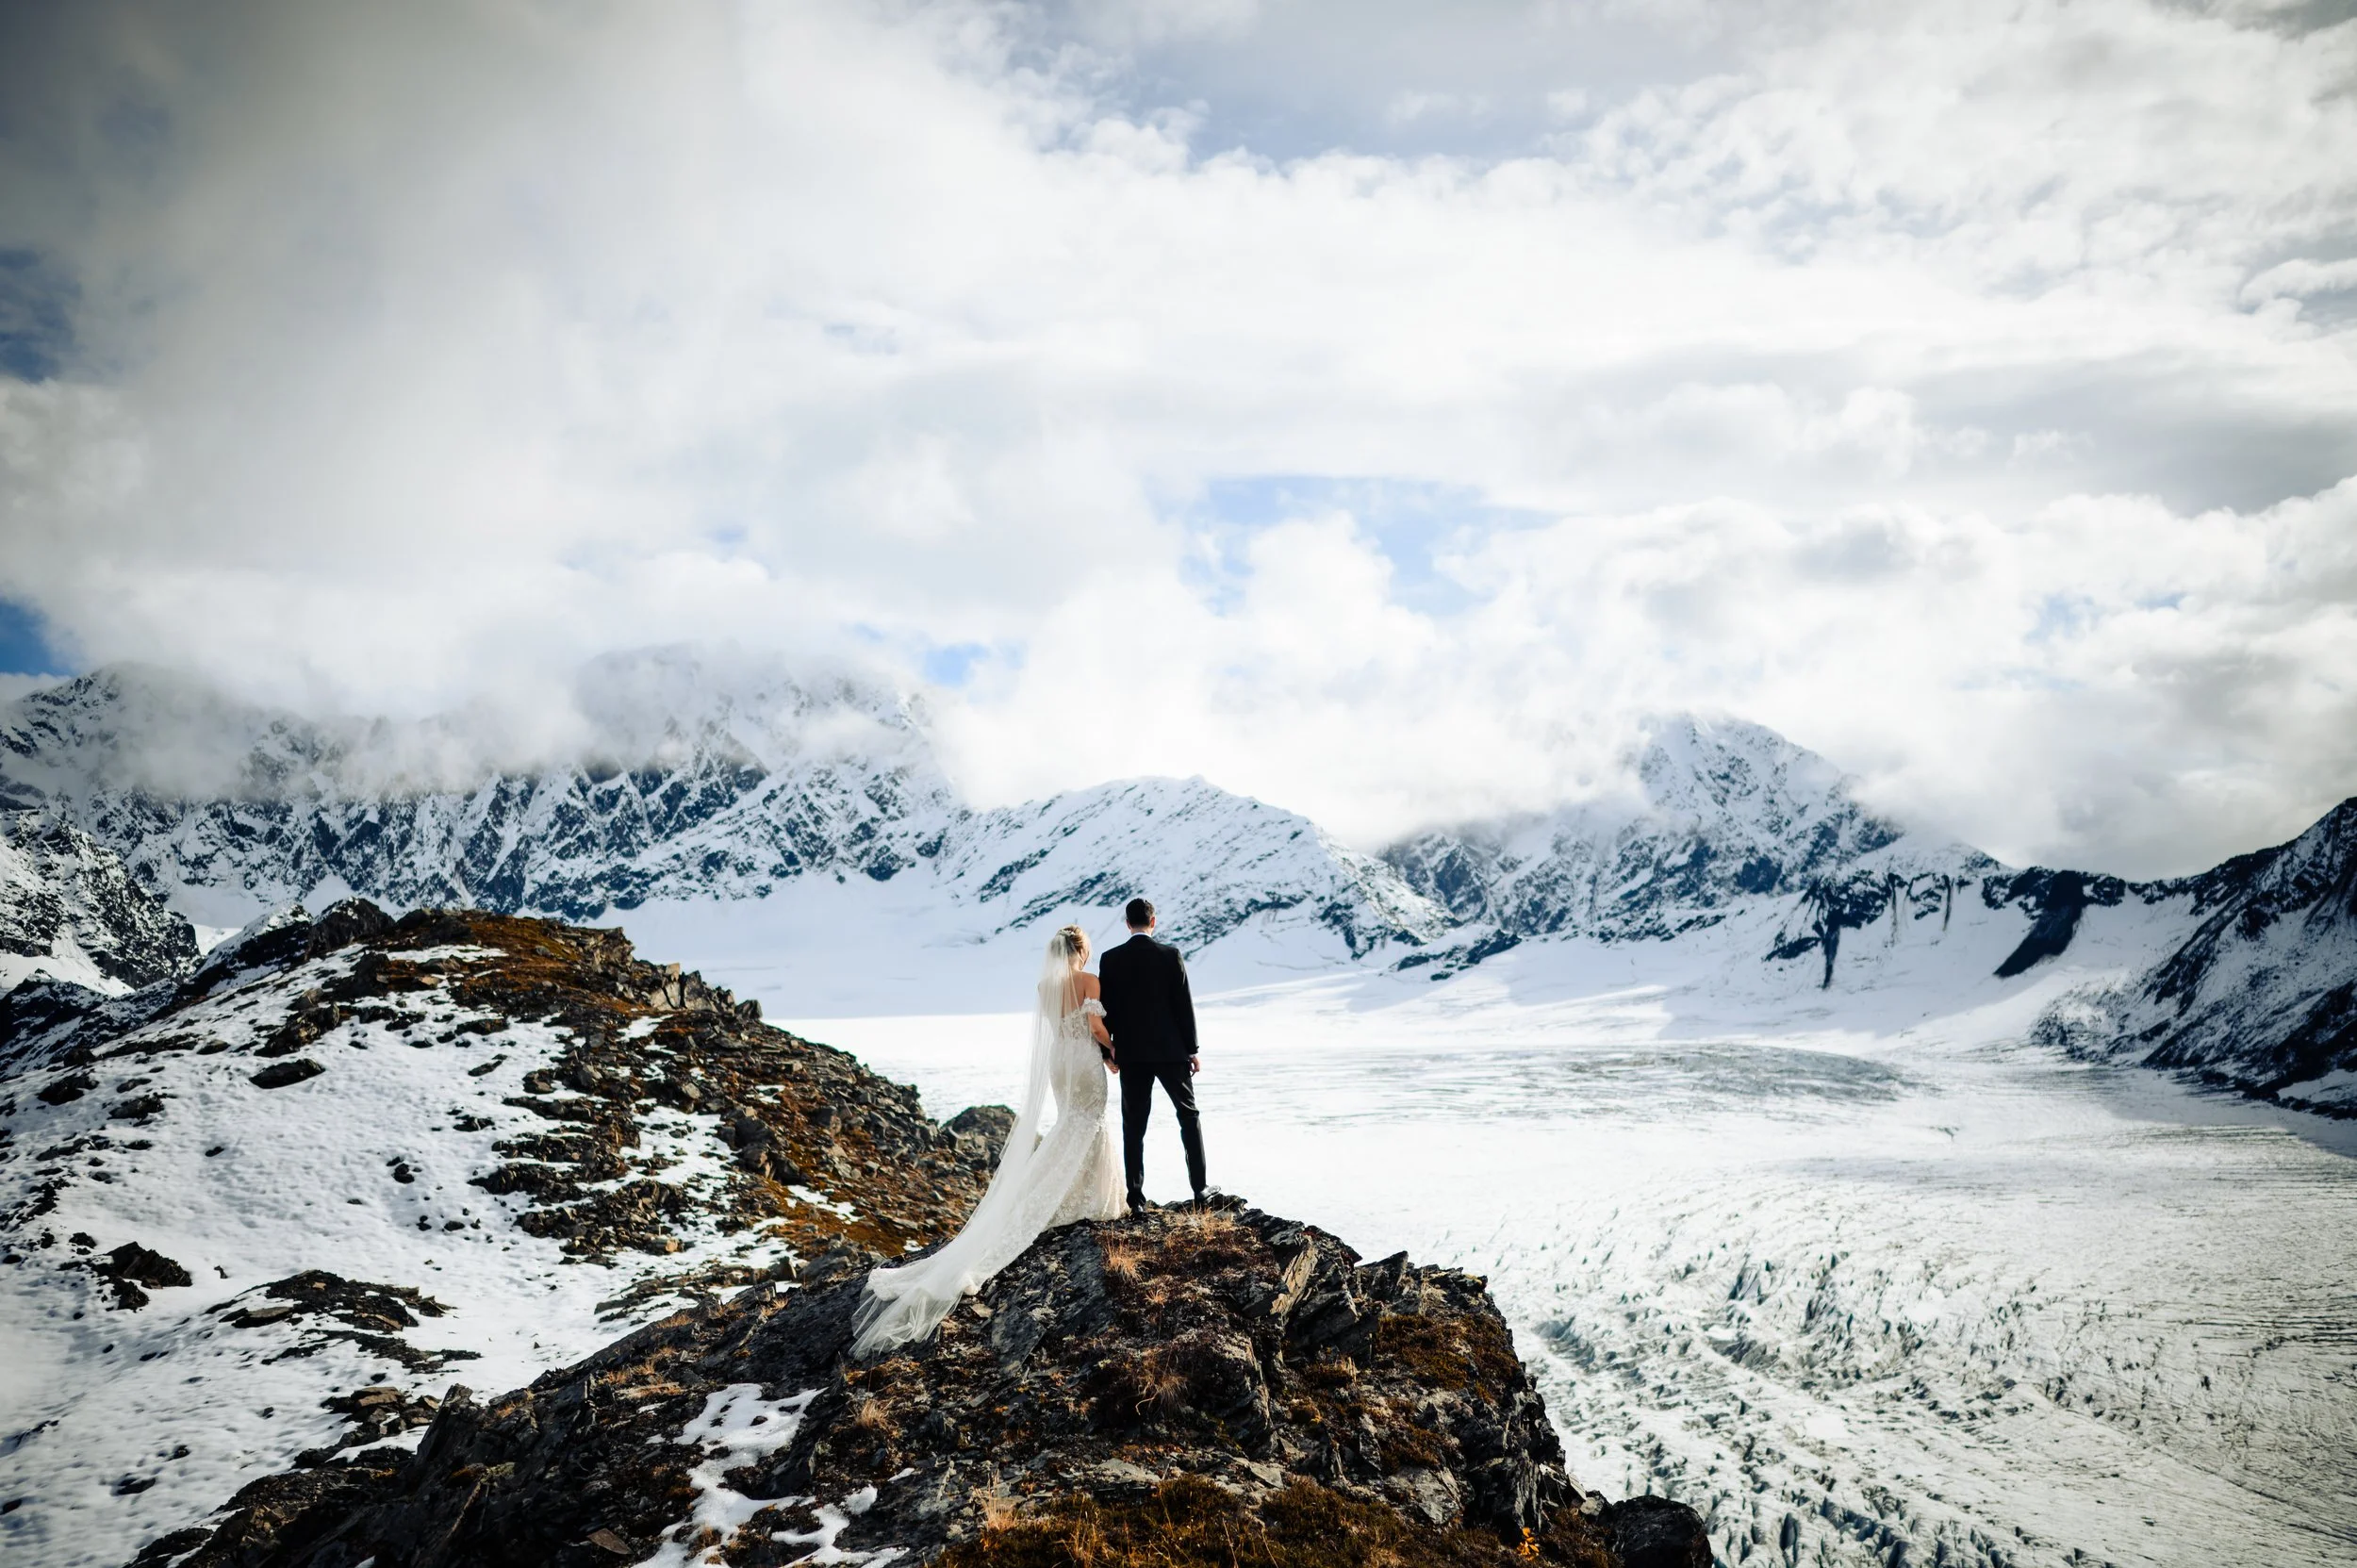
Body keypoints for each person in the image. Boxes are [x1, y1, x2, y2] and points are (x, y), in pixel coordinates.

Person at [850, 923, 1123, 1355]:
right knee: (1089, 1120)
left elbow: (1059, 1026)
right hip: (1084, 1061)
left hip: (1059, 1063)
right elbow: (1094, 1025)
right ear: (1081, 950)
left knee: (1069, 1123)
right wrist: (1115, 1051)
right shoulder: (1090, 981)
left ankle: (1064, 1190)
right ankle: (1089, 1196)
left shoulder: (1043, 986)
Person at [1096, 897, 1207, 1214]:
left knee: (1134, 1125)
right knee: (1189, 1116)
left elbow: (1107, 1010)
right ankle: (1200, 1190)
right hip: (1171, 1052)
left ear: (1128, 924)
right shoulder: (1170, 955)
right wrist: (1192, 1050)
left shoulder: (1111, 959)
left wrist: (1109, 1050)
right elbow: (1183, 1006)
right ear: (1153, 922)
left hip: (1131, 1052)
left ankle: (1136, 1198)